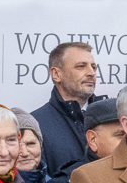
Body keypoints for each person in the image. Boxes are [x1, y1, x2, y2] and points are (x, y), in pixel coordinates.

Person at [33, 40, 101, 175]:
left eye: (93, 67)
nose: (91, 73)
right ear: (56, 74)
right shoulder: (35, 124)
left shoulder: (110, 119)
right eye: (81, 66)